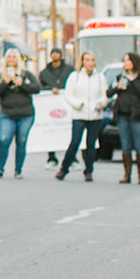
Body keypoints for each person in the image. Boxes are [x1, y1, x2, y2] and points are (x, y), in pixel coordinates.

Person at [56, 51, 108, 182]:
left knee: (91, 144)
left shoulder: (100, 77)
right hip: (79, 114)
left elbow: (105, 94)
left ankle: (89, 171)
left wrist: (101, 103)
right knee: (75, 142)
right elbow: (68, 95)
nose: (90, 63)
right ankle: (64, 168)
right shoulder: (75, 76)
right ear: (83, 62)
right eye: (87, 60)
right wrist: (77, 103)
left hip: (95, 115)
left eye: (92, 60)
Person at [0, 51, 39, 179]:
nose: (11, 59)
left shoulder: (26, 74)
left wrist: (22, 84)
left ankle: (18, 170)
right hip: (7, 113)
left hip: (25, 113)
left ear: (18, 59)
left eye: (14, 57)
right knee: (4, 140)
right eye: (9, 57)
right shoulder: (0, 75)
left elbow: (37, 88)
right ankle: (0, 169)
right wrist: (5, 83)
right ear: (5, 59)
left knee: (21, 141)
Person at [108, 52, 140, 185]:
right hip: (123, 113)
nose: (125, 63)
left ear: (135, 62)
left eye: (128, 60)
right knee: (125, 145)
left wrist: (133, 82)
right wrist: (117, 87)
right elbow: (108, 93)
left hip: (138, 114)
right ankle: (127, 174)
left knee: (139, 144)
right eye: (125, 61)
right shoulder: (120, 77)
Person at [38, 49, 73, 170]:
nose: (55, 55)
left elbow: (73, 83)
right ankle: (51, 157)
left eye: (57, 53)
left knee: (68, 131)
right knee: (51, 131)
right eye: (53, 53)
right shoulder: (44, 72)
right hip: (50, 105)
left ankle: (72, 158)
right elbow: (40, 86)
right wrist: (50, 88)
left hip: (66, 104)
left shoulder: (69, 70)